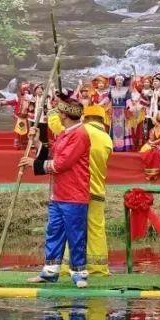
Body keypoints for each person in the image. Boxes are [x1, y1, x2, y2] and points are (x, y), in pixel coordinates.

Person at [22, 94, 92, 288]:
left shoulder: (79, 134)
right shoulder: (65, 133)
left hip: (74, 194)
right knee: (54, 231)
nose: (58, 114)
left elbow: (62, 164)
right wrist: (37, 142)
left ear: (66, 115)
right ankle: (50, 271)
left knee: (75, 234)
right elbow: (53, 153)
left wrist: (34, 163)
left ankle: (79, 273)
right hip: (59, 193)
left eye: (60, 111)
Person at [48, 104, 114, 276]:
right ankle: (98, 268)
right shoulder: (107, 139)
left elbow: (56, 124)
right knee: (96, 228)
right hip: (97, 189)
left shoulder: (78, 132)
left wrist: (55, 108)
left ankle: (66, 268)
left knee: (72, 229)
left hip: (76, 189)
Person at [105, 74, 134, 152]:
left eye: (121, 80)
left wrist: (131, 107)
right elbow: (107, 99)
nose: (119, 82)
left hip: (122, 113)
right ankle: (114, 146)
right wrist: (99, 104)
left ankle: (122, 147)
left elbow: (128, 101)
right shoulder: (111, 90)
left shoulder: (126, 90)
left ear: (123, 81)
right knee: (114, 129)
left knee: (123, 129)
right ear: (115, 81)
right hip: (114, 113)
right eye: (118, 80)